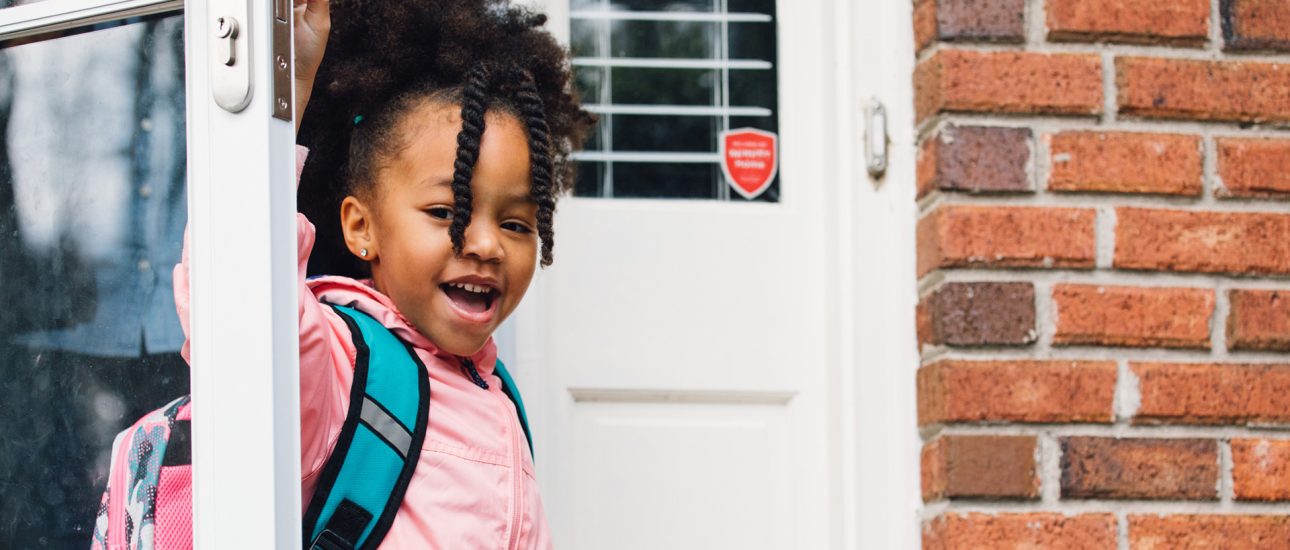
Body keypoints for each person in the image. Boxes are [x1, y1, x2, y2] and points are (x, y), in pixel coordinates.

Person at [172, 0, 594, 547]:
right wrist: (288, 86)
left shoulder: (498, 396)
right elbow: (235, 287)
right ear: (361, 227)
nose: (488, 244)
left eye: (515, 223)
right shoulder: (338, 371)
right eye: (446, 212)